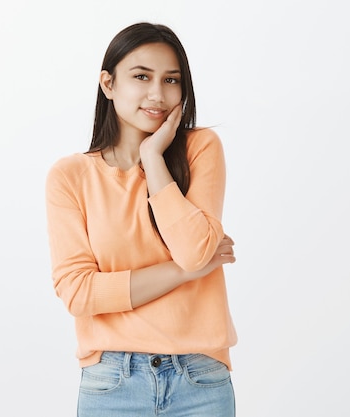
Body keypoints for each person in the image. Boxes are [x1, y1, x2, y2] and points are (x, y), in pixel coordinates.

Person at [45, 22, 238, 416]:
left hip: (199, 378)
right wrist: (186, 272)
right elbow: (79, 294)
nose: (158, 94)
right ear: (108, 83)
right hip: (112, 382)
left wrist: (153, 159)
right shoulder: (70, 177)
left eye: (171, 80)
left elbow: (194, 248)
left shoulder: (201, 148)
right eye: (141, 77)